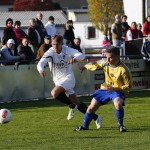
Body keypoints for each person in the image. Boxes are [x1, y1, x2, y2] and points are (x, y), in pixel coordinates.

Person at [37, 35, 101, 128]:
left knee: (54, 93)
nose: (55, 46)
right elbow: (40, 63)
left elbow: (81, 55)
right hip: (58, 81)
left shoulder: (67, 50)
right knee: (78, 103)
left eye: (57, 44)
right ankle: (96, 117)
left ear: (62, 44)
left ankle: (71, 106)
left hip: (68, 79)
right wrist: (41, 70)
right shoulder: (50, 52)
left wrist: (74, 58)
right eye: (53, 44)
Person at [75, 46, 132, 132]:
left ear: (117, 57)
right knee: (90, 108)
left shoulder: (124, 69)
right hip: (105, 89)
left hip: (117, 90)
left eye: (110, 57)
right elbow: (95, 65)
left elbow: (129, 86)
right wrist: (84, 67)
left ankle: (121, 125)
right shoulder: (105, 63)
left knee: (118, 103)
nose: (108, 59)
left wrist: (115, 88)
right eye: (106, 57)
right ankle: (84, 127)